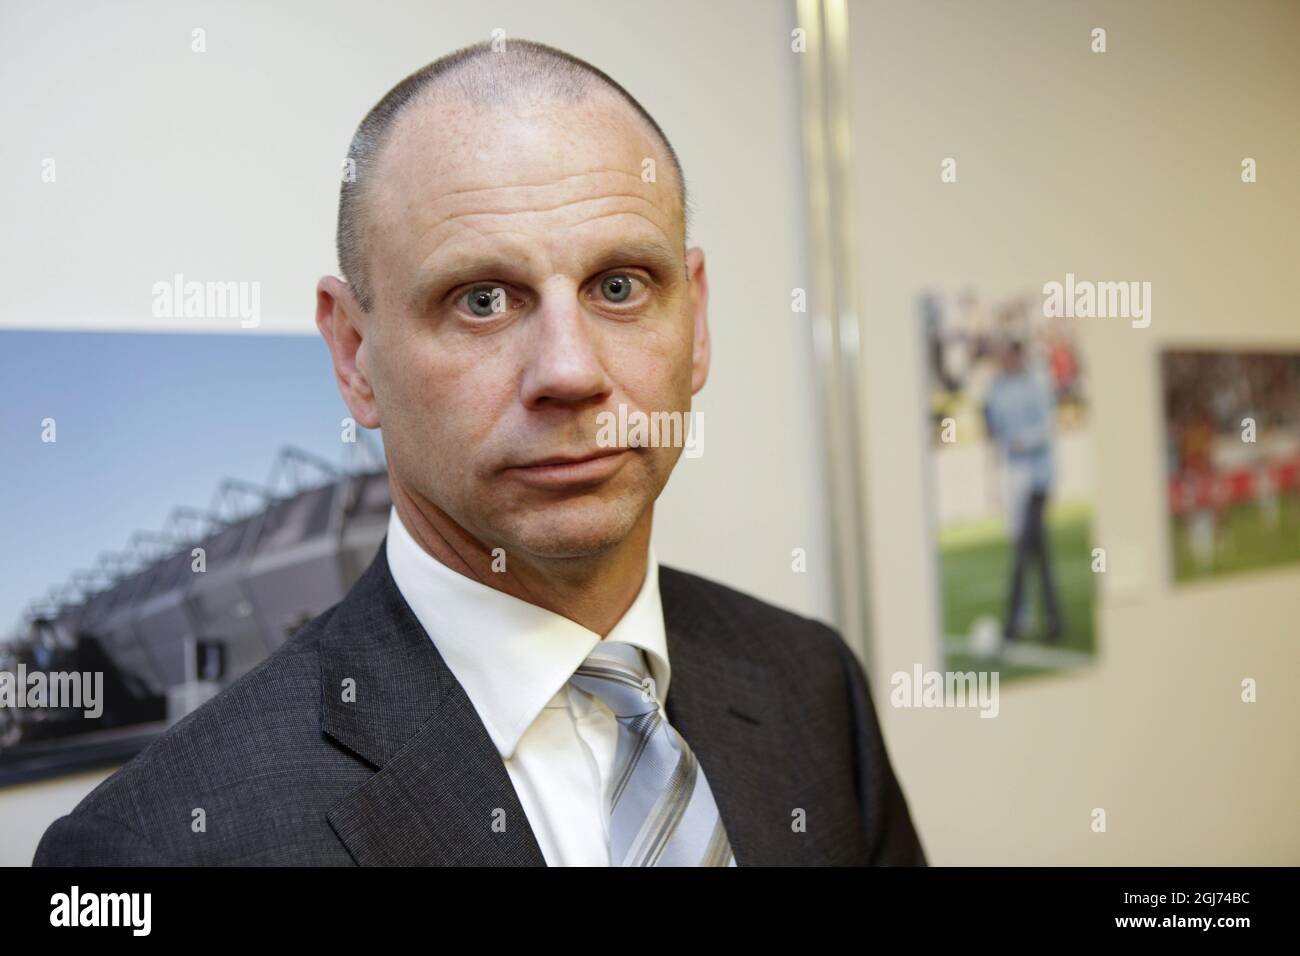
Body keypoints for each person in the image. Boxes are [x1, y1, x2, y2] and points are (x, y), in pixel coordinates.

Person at [33, 39, 923, 867]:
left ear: (694, 323)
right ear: (353, 355)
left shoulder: (810, 687)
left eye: (620, 286)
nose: (571, 372)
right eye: (482, 300)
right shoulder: (159, 845)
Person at [983, 337, 1063, 643]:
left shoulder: (1038, 383)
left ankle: (1016, 621)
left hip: (1037, 477)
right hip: (1013, 477)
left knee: (1026, 551)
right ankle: (1044, 620)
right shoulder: (998, 388)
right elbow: (993, 425)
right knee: (1034, 550)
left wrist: (1021, 441)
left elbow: (1046, 429)